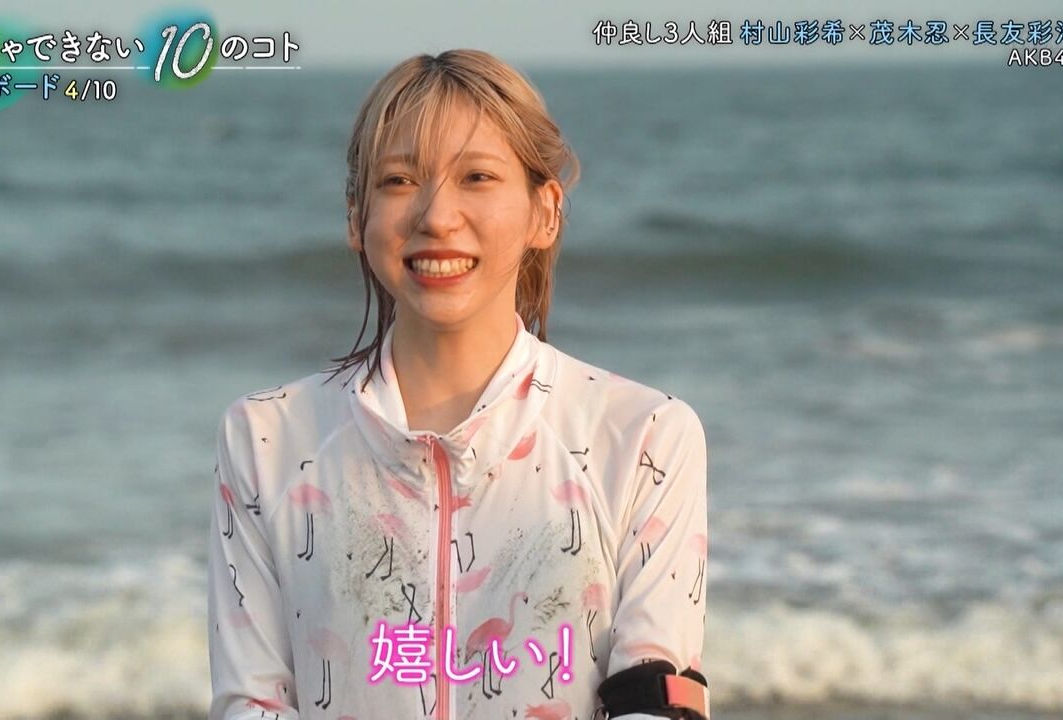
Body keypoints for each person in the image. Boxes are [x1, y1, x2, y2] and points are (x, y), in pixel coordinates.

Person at [207, 49, 709, 720]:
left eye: (477, 177)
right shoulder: (267, 438)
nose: (437, 216)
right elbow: (251, 702)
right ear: (356, 217)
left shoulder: (644, 435)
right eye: (398, 180)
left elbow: (656, 696)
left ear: (545, 211)